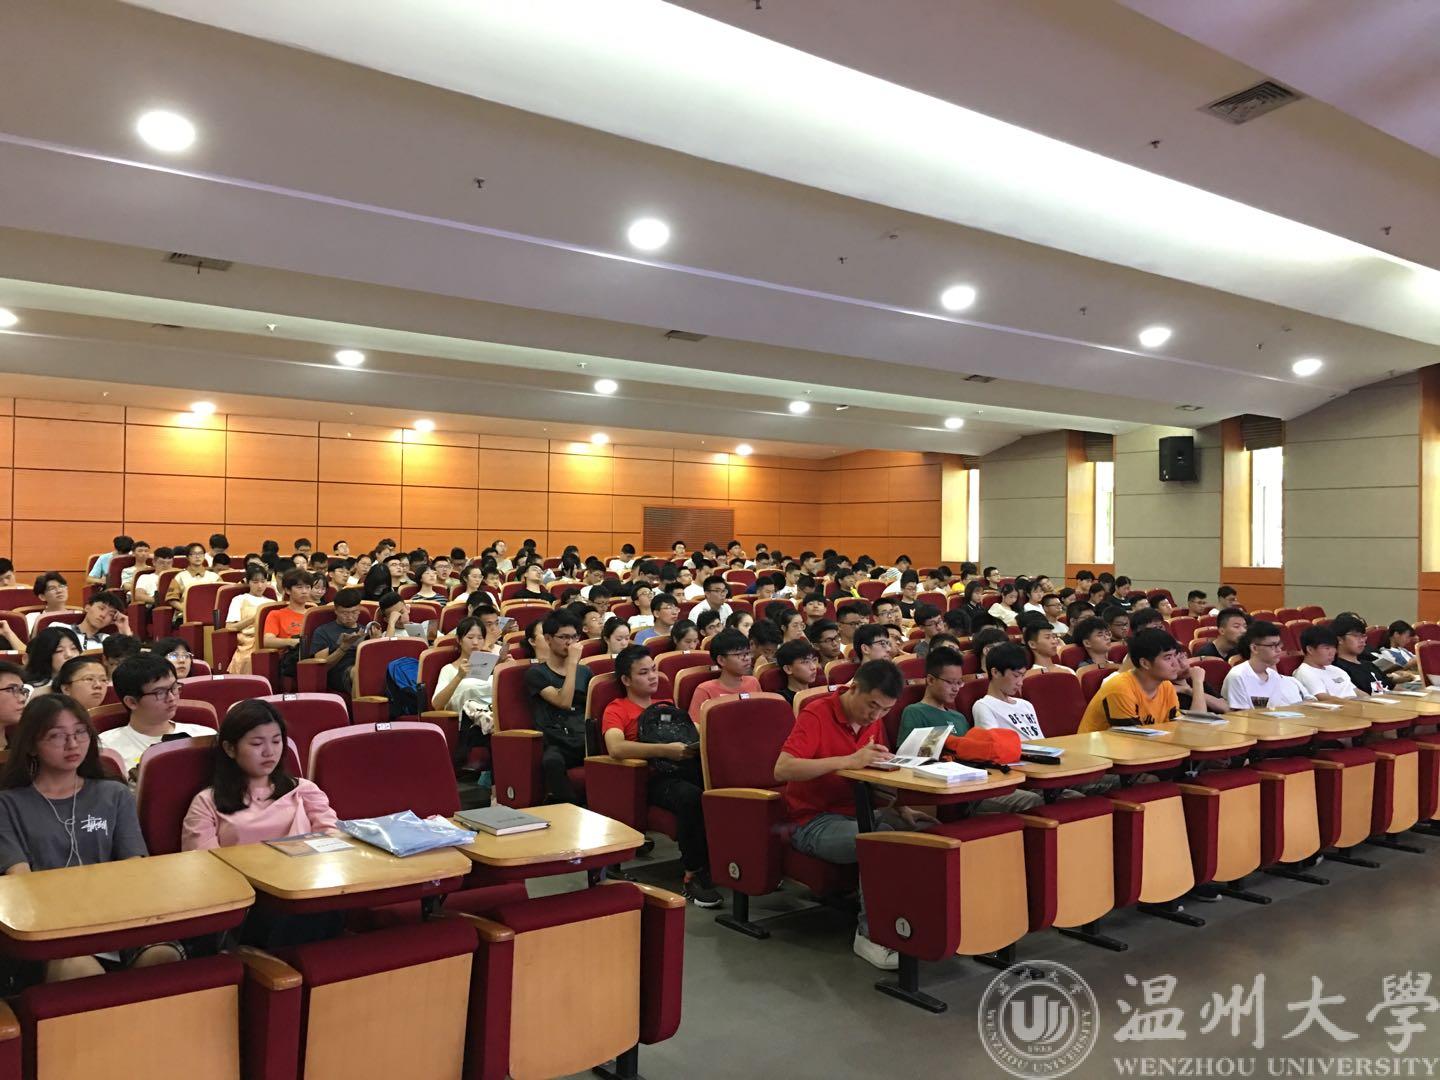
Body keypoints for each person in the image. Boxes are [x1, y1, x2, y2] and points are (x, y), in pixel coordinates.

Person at [0, 694, 182, 981]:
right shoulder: (8, 803)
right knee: (81, 970)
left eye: (80, 733)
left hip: (117, 914)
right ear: (32, 745)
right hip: (51, 924)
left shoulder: (114, 793)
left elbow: (134, 866)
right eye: (57, 736)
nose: (72, 744)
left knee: (164, 957)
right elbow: (19, 879)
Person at [775, 661, 933, 970]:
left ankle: (915, 924)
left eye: (886, 710)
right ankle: (870, 935)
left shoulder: (873, 721)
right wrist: (848, 760)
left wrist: (902, 808)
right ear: (854, 687)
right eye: (872, 705)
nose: (876, 716)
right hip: (813, 821)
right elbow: (783, 768)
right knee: (881, 844)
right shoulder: (817, 713)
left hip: (862, 811)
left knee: (928, 837)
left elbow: (876, 770)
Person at [600, 646, 721, 906]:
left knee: (721, 789)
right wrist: (665, 750)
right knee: (690, 797)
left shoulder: (667, 705)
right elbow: (616, 748)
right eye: (644, 673)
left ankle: (732, 863)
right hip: (649, 778)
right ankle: (693, 874)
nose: (653, 676)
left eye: (654, 670)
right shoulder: (617, 709)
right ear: (626, 680)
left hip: (683, 768)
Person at [182, 699, 337, 851]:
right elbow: (203, 861)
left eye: (276, 741)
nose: (269, 752)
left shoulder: (304, 790)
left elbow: (334, 840)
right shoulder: (207, 802)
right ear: (230, 748)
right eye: (257, 743)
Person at [102, 654, 214, 775]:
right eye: (160, 692)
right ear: (132, 702)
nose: (171, 698)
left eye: (174, 687)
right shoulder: (106, 748)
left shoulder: (205, 736)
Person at [524, 613, 593, 804]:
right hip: (556, 740)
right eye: (563, 637)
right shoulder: (536, 673)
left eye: (574, 637)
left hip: (583, 736)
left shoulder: (585, 672)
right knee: (552, 761)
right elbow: (564, 702)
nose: (570, 643)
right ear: (548, 639)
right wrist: (572, 664)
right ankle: (570, 808)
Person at [1077, 628, 1184, 732]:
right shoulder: (1120, 688)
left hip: (1144, 742)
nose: (1175, 663)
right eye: (1168, 658)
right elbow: (1131, 738)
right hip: (1096, 744)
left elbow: (1175, 727)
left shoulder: (1166, 686)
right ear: (1145, 663)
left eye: (1175, 656)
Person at [1220, 621, 1313, 710]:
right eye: (1273, 645)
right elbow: (1240, 715)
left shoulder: (1273, 676)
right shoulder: (1238, 675)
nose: (1279, 650)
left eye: (1279, 645)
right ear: (1254, 648)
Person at [896, 645, 967, 745]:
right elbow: (907, 752)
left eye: (959, 682)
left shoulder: (960, 718)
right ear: (930, 680)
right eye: (950, 682)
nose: (956, 688)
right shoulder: (914, 712)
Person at [305, 588, 365, 695]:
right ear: (336, 610)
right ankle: (359, 706)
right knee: (359, 672)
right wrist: (343, 647)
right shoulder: (323, 631)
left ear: (360, 609)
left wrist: (375, 641)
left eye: (354, 612)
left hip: (363, 667)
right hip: (339, 674)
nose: (350, 617)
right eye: (344, 613)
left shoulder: (365, 630)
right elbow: (321, 667)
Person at [689, 629, 761, 712]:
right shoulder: (705, 691)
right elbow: (697, 720)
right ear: (721, 660)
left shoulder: (753, 682)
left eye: (747, 653)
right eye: (739, 654)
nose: (747, 658)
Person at [1292, 625, 1358, 701]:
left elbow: (1356, 691)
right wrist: (1356, 704)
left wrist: (1367, 699)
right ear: (1310, 649)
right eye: (1327, 648)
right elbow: (1322, 698)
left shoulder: (1336, 669)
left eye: (1334, 647)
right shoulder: (1304, 672)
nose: (1333, 652)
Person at [1329, 614, 1390, 696]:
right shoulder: (1337, 669)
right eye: (1356, 635)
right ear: (1339, 639)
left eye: (1363, 636)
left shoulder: (1369, 665)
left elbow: (1393, 687)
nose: (1362, 640)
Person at [165, 543, 220, 614]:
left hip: (210, 614)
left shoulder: (215, 577)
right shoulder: (180, 577)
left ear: (204, 556)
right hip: (186, 615)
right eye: (194, 554)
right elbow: (172, 599)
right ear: (188, 557)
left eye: (200, 553)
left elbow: (221, 598)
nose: (198, 556)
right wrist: (187, 611)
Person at [773, 639, 819, 705]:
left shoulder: (819, 691)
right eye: (805, 662)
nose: (813, 667)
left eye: (814, 660)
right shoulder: (782, 700)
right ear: (788, 669)